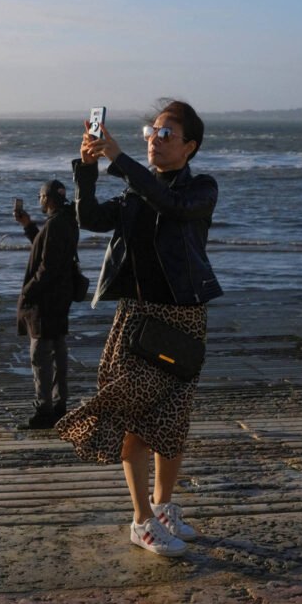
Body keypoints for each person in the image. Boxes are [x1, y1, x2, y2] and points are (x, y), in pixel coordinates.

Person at [56, 99, 222, 558]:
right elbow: (87, 218)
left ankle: (164, 507)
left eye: (166, 133)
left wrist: (119, 158)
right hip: (139, 320)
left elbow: (168, 201)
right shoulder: (133, 191)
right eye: (152, 130)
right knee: (137, 419)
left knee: (173, 421)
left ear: (189, 147)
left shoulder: (201, 189)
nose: (154, 138)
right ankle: (141, 521)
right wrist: (88, 168)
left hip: (185, 316)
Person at [15, 179, 79, 430]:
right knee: (58, 351)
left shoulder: (55, 225)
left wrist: (28, 292)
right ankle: (59, 405)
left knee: (41, 355)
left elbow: (46, 266)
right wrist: (28, 226)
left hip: (46, 300)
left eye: (41, 196)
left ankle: (45, 410)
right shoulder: (67, 222)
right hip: (60, 297)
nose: (39, 200)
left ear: (48, 199)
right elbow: (47, 251)